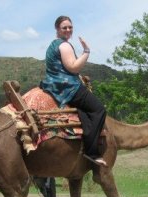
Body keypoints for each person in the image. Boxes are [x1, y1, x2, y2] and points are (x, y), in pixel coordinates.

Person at [39, 15, 107, 166]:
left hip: (54, 85)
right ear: (57, 29)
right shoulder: (64, 45)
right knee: (99, 110)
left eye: (70, 27)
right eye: (64, 27)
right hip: (68, 88)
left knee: (82, 112)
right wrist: (86, 51)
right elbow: (73, 67)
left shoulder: (53, 45)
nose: (68, 30)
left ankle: (84, 140)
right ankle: (91, 152)